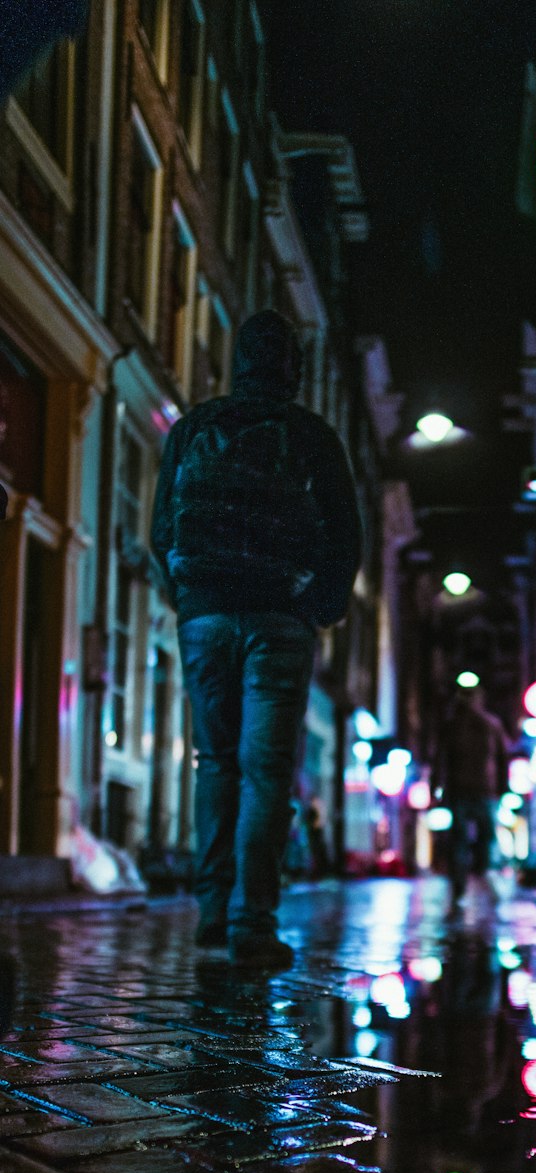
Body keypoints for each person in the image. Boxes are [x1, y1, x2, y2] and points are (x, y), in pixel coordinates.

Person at [152, 309, 362, 970]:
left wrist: (190, 599)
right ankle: (253, 921)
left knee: (215, 762)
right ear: (293, 370)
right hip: (279, 618)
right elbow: (347, 536)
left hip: (206, 616)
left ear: (236, 362)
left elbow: (163, 529)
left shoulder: (195, 427)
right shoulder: (311, 434)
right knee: (268, 771)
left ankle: (212, 914)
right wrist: (314, 609)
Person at [432, 684, 508, 900]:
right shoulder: (455, 725)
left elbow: (502, 758)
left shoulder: (487, 725)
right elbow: (441, 758)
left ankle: (475, 878)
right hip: (467, 791)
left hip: (478, 791)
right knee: (465, 838)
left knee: (477, 837)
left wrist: (502, 788)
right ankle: (466, 882)